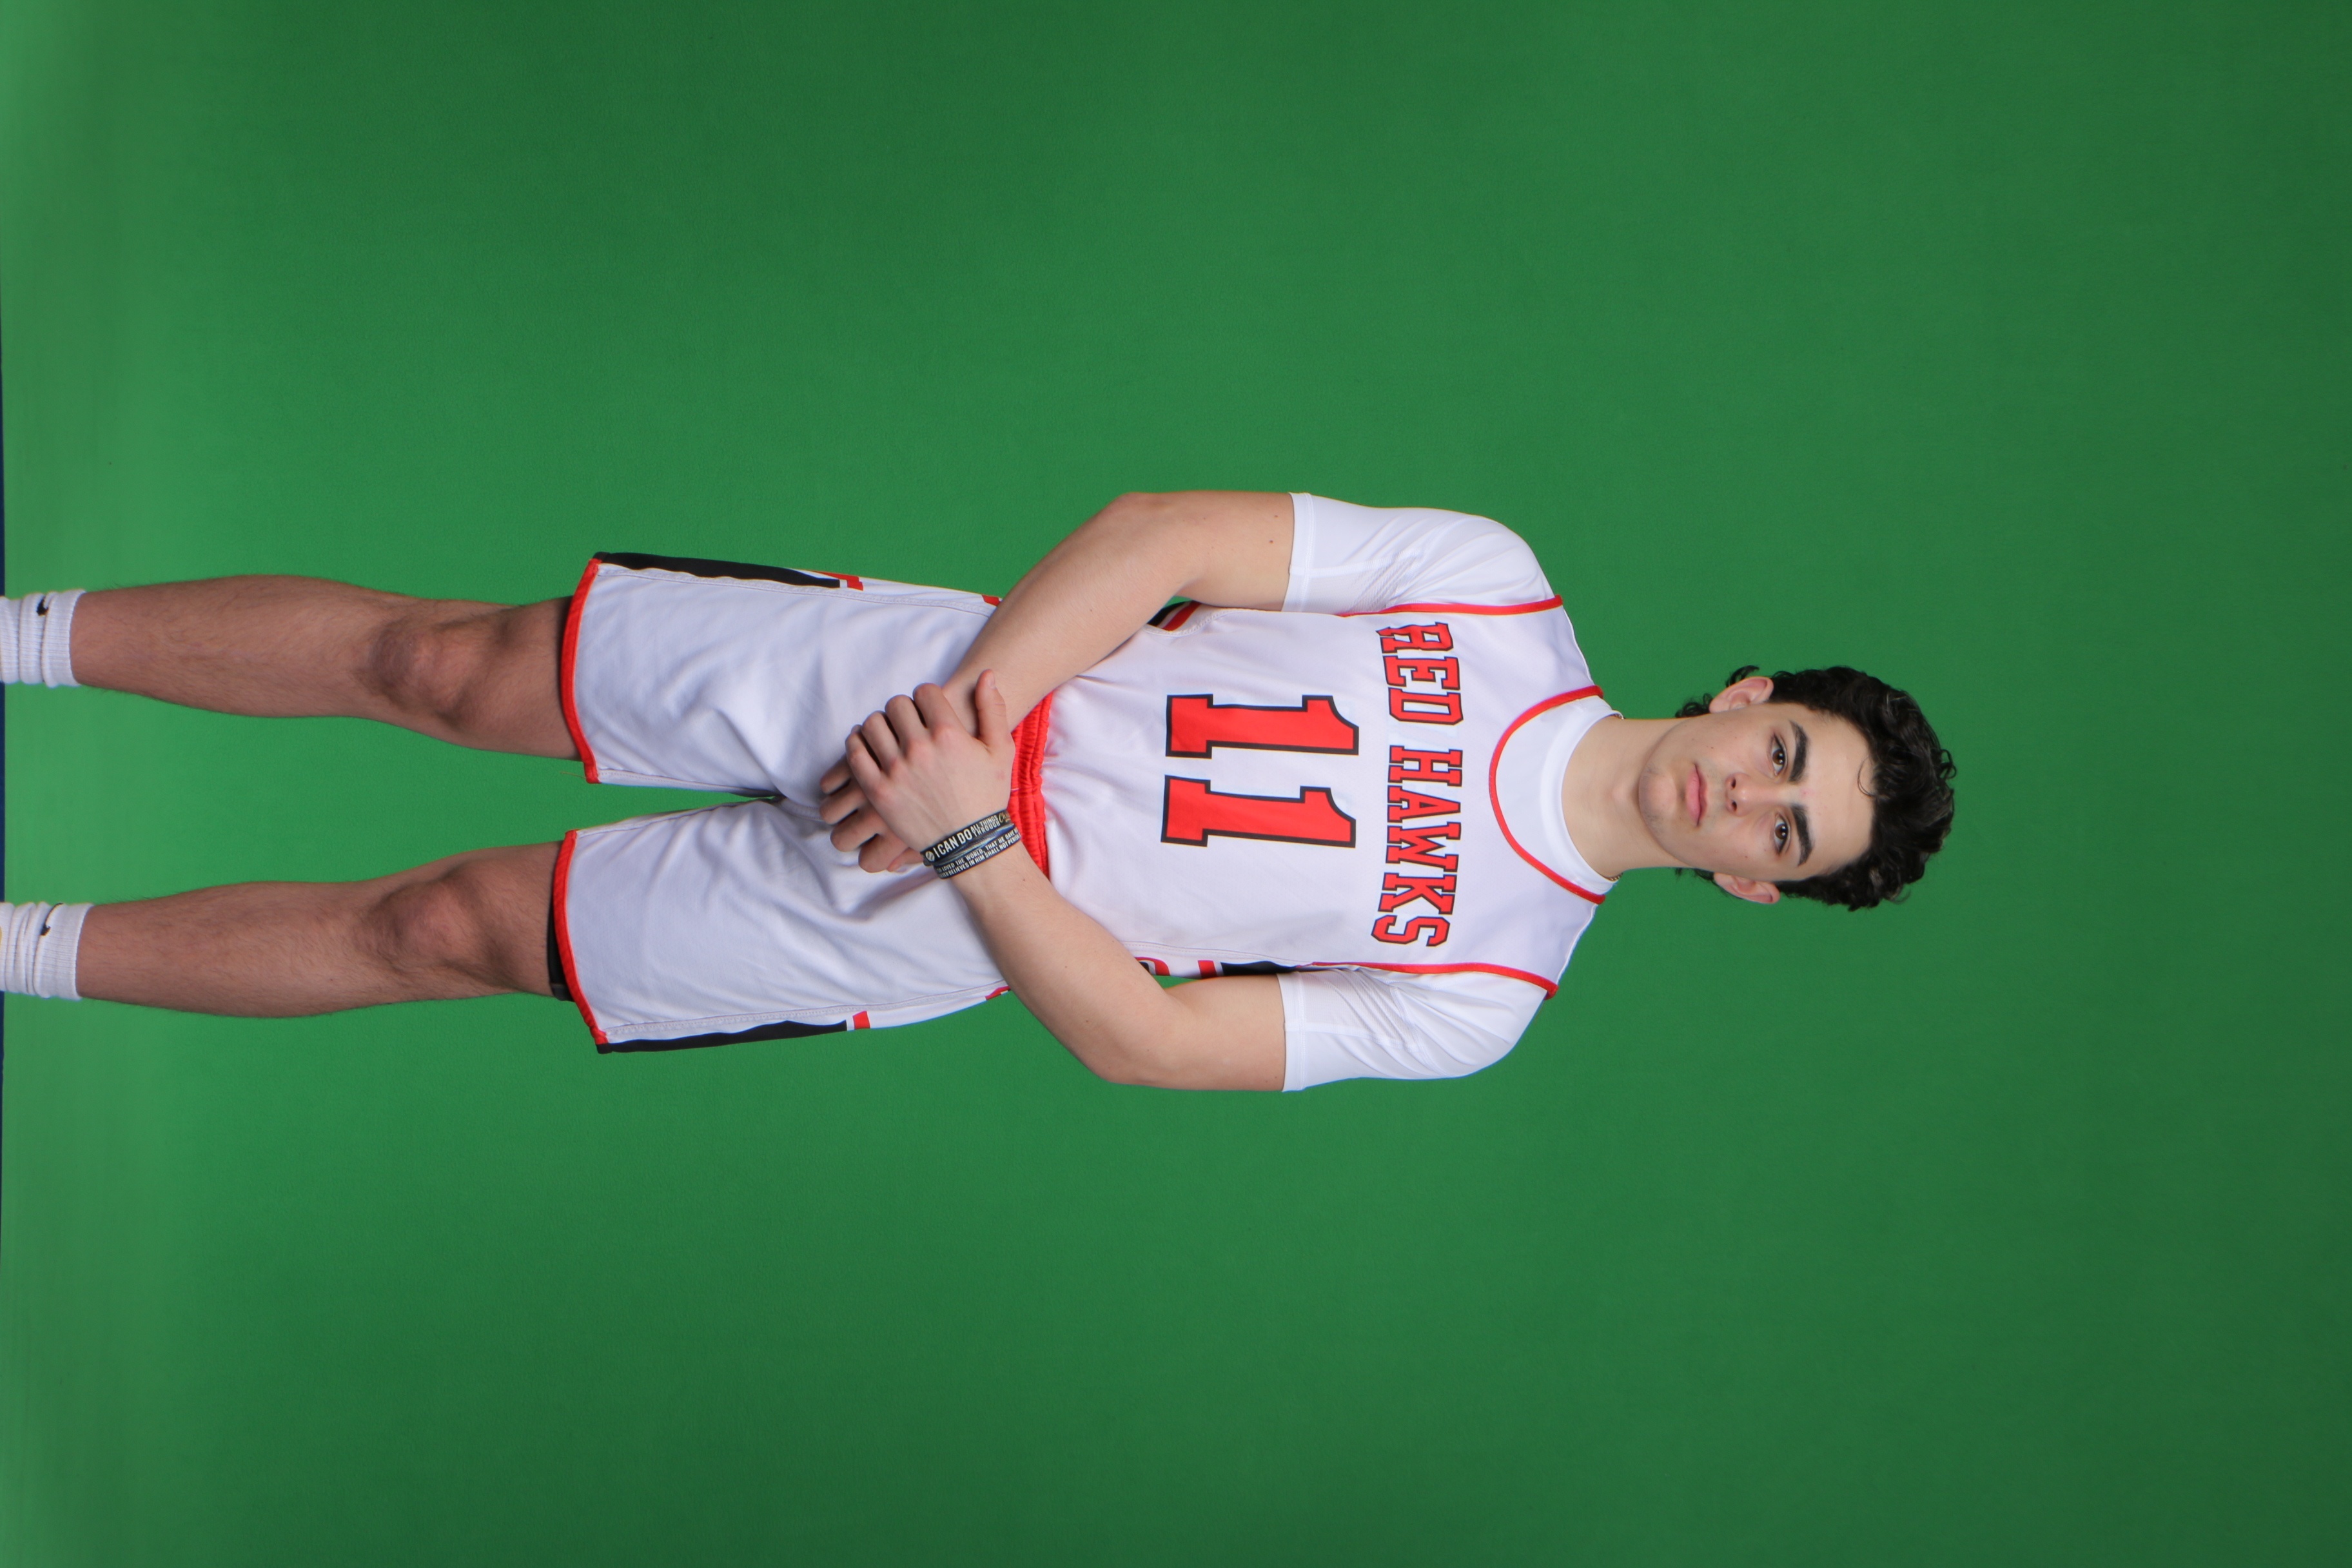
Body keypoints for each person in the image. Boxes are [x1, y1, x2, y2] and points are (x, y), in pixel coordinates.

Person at [0, 491, 1955, 1090]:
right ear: (1752, 698)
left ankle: (16, 947)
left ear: (1757, 888)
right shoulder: (1494, 590)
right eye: (1785, 754)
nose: (1749, 797)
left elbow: (1150, 1042)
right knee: (441, 665)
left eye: (1788, 836)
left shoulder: (1489, 992)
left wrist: (970, 836)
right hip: (929, 685)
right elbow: (1168, 534)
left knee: (443, 930)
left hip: (936, 910)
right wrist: (973, 721)